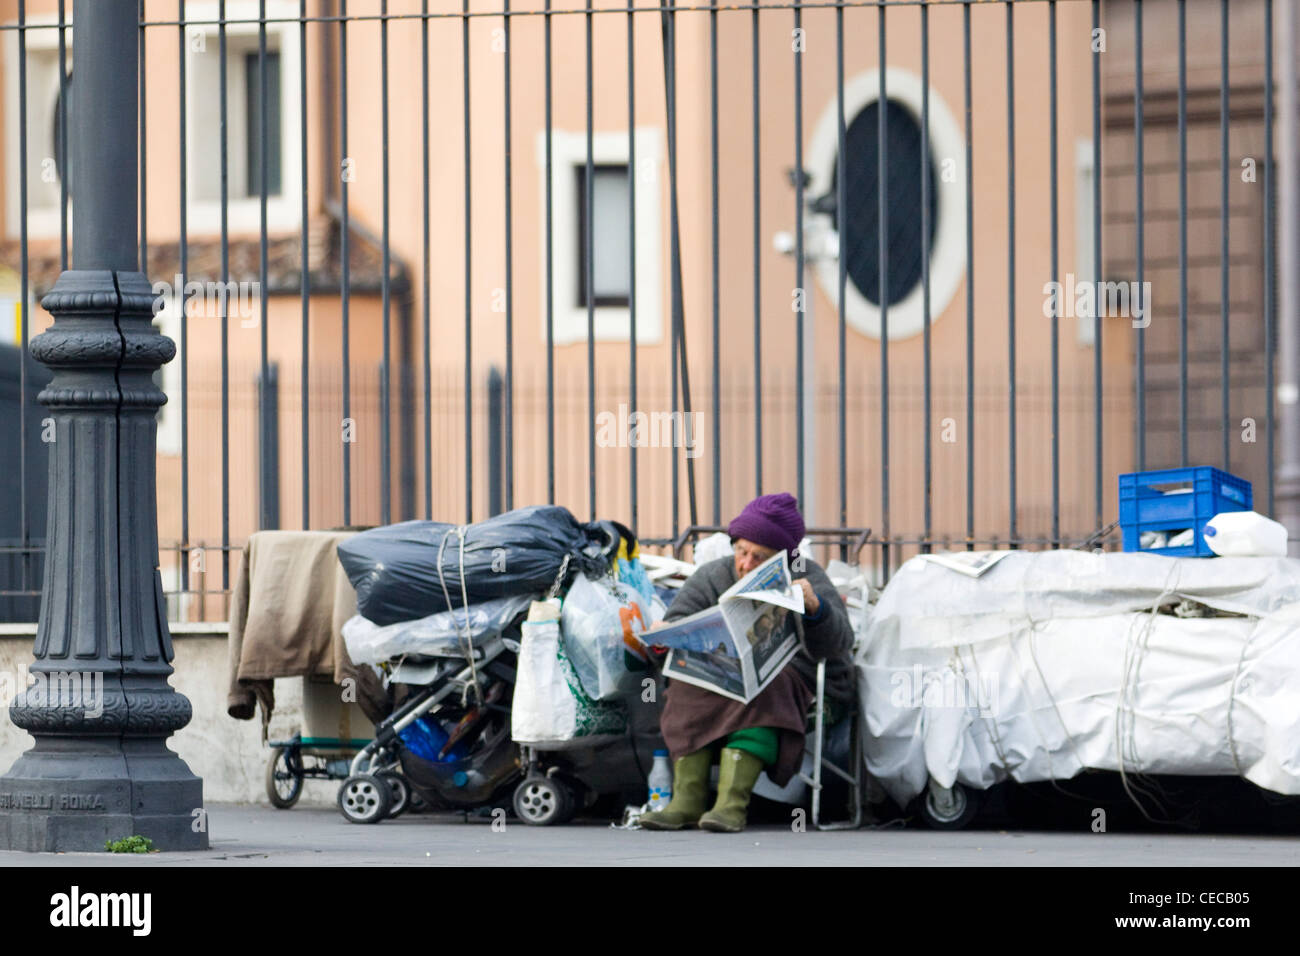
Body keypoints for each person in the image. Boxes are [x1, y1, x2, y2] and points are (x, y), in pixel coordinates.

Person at [641, 493, 855, 833]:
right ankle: (686, 800)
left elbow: (840, 644)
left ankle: (731, 804)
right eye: (741, 552)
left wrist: (816, 610)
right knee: (684, 685)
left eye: (760, 558)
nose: (745, 564)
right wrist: (666, 633)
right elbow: (678, 621)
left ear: (783, 559)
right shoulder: (713, 575)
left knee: (769, 686)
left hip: (796, 679)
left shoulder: (808, 576)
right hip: (720, 674)